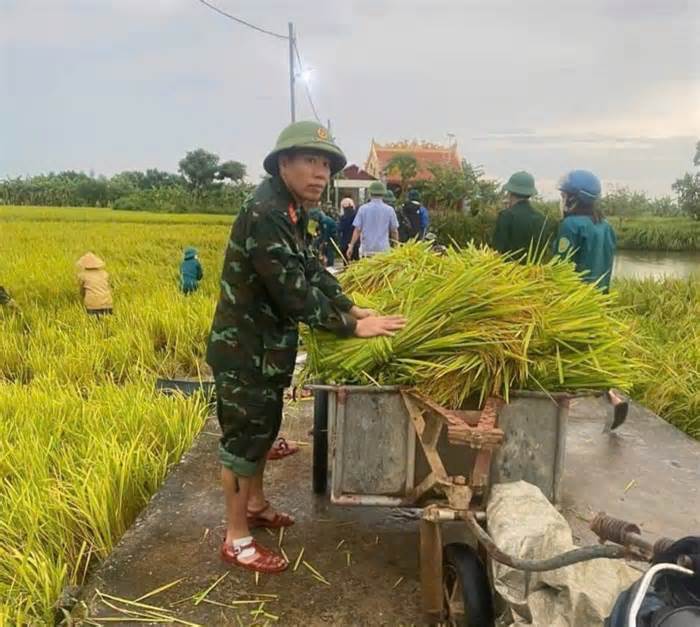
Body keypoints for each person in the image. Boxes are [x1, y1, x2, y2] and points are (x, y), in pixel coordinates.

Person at [206, 120, 406, 574]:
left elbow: (313, 272)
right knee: (243, 441)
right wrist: (350, 329)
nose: (321, 173)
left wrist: (353, 310)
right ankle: (236, 538)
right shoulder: (265, 212)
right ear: (283, 164)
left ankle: (255, 507)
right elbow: (292, 292)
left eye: (326, 164)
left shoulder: (294, 211)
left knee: (263, 428)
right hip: (244, 349)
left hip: (268, 345)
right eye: (310, 161)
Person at [554, 170, 616, 292]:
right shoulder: (606, 226)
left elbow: (560, 268)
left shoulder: (570, 225)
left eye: (564, 196)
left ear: (573, 199)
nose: (562, 201)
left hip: (575, 299)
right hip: (599, 299)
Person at [492, 171, 547, 261]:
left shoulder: (506, 216)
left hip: (507, 272)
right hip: (534, 273)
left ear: (510, 193)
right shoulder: (541, 218)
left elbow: (497, 250)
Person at [347, 180, 399, 258]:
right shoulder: (389, 210)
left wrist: (351, 246)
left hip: (367, 249)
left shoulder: (363, 209)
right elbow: (394, 231)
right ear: (383, 194)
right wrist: (396, 248)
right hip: (383, 250)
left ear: (370, 193)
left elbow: (357, 230)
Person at [337, 197, 358, 264]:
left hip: (345, 243)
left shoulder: (343, 217)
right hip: (355, 243)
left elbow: (339, 229)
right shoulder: (356, 215)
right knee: (356, 263)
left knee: (346, 264)